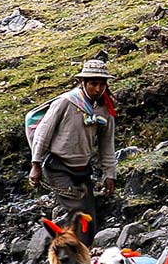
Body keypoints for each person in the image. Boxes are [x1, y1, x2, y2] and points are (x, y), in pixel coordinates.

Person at [28, 58, 117, 246]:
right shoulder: (66, 102)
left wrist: (110, 174)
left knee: (90, 216)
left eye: (102, 84)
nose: (98, 89)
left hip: (83, 168)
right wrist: (35, 165)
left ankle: (83, 250)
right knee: (77, 211)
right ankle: (74, 252)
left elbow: (106, 144)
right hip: (58, 166)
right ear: (83, 83)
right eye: (93, 84)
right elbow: (44, 132)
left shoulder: (105, 109)